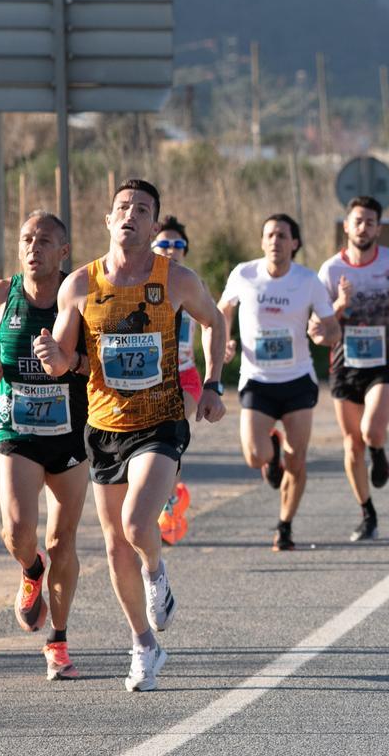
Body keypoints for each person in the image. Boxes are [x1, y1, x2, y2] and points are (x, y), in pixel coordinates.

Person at [35, 179, 227, 693]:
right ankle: (144, 644)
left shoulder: (178, 279)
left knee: (138, 522)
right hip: (104, 427)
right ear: (107, 220)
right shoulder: (78, 285)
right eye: (123, 207)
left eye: (143, 209)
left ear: (154, 223)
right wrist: (53, 359)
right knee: (116, 545)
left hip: (162, 419)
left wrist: (211, 384)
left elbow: (216, 322)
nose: (131, 215)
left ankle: (156, 572)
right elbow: (65, 359)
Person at [0, 211, 89, 681]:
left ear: (63, 251)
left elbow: (100, 364)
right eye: (26, 238)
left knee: (63, 541)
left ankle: (58, 641)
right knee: (17, 534)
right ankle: (30, 569)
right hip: (16, 431)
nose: (33, 247)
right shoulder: (2, 293)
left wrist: (67, 360)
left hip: (68, 435)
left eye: (45, 240)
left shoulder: (80, 298)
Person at [218, 213, 340, 552]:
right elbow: (222, 310)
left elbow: (333, 329)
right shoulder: (244, 274)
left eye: (283, 235)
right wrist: (224, 339)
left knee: (297, 460)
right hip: (257, 379)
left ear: (294, 243)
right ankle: (271, 454)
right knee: (255, 456)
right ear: (262, 242)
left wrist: (322, 334)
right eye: (270, 234)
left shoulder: (308, 281)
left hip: (297, 379)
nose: (275, 241)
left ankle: (285, 525)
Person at [318, 196, 389, 542]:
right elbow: (317, 323)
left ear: (379, 228)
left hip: (382, 361)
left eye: (370, 222)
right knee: (351, 445)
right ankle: (367, 513)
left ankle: (379, 453)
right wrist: (339, 305)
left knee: (371, 431)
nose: (363, 227)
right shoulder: (331, 270)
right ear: (346, 225)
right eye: (357, 221)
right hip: (343, 363)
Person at [151, 217, 201, 545]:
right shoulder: (136, 286)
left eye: (177, 245)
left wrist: (219, 357)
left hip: (185, 378)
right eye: (164, 244)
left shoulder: (191, 285)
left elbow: (212, 323)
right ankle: (171, 495)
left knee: (170, 434)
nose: (171, 250)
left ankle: (168, 506)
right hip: (150, 380)